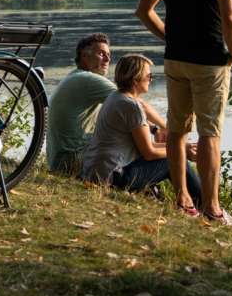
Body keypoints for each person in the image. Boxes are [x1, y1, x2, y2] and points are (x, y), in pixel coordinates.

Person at [135, 0, 232, 225]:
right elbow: (230, 18)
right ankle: (212, 207)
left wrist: (169, 36)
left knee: (177, 130)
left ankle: (182, 199)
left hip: (176, 59)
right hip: (210, 61)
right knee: (210, 133)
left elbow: (144, 11)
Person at [81, 54, 202, 206]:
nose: (151, 80)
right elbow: (149, 152)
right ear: (135, 80)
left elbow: (144, 146)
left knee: (175, 154)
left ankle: (197, 203)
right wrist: (182, 151)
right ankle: (204, 205)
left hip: (96, 173)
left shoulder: (116, 97)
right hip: (112, 178)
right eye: (149, 76)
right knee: (174, 160)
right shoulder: (131, 106)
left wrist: (181, 146)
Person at [47, 33, 165, 175]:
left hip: (61, 160)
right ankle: (139, 177)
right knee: (134, 142)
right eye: (101, 54)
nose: (108, 59)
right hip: (72, 161)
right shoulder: (88, 79)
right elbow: (132, 102)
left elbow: (131, 114)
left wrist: (153, 129)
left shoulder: (75, 76)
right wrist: (165, 128)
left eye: (109, 55)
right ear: (84, 56)